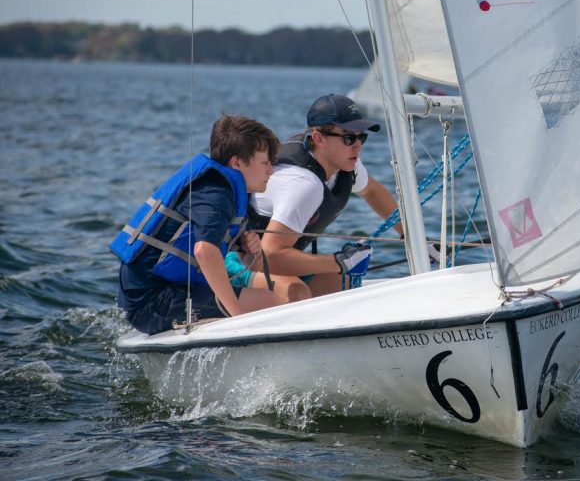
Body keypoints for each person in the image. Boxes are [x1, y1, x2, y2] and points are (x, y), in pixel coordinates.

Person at [111, 114, 288, 335]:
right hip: (152, 302)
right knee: (268, 302)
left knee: (268, 298)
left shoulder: (231, 191)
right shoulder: (215, 192)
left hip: (165, 292)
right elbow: (204, 251)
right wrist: (238, 316)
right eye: (265, 162)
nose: (271, 170)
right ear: (237, 162)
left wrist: (251, 252)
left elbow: (245, 264)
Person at [242, 94, 404, 297]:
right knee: (296, 292)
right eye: (349, 137)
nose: (358, 146)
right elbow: (270, 256)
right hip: (236, 261)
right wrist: (338, 262)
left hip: (267, 262)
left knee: (341, 282)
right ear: (318, 138)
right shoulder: (302, 184)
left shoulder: (345, 163)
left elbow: (372, 191)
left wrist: (409, 236)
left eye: (361, 137)